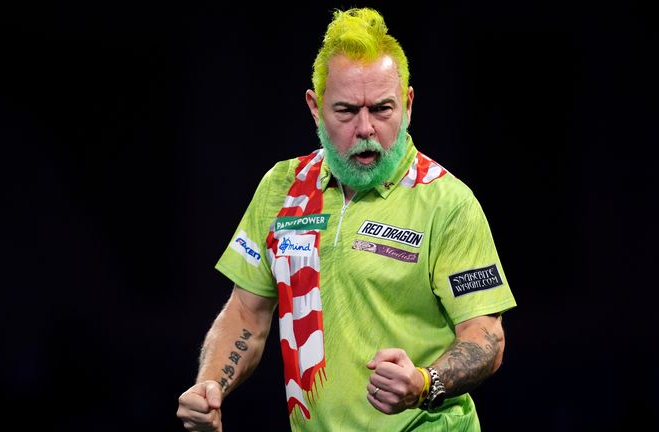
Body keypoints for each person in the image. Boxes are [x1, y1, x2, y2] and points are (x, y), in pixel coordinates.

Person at [177, 7, 517, 431]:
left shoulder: (448, 202)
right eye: (345, 111)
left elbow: (486, 337)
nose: (365, 128)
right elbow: (246, 312)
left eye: (382, 109)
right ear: (315, 108)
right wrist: (209, 386)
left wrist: (425, 383)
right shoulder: (282, 188)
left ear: (408, 106)